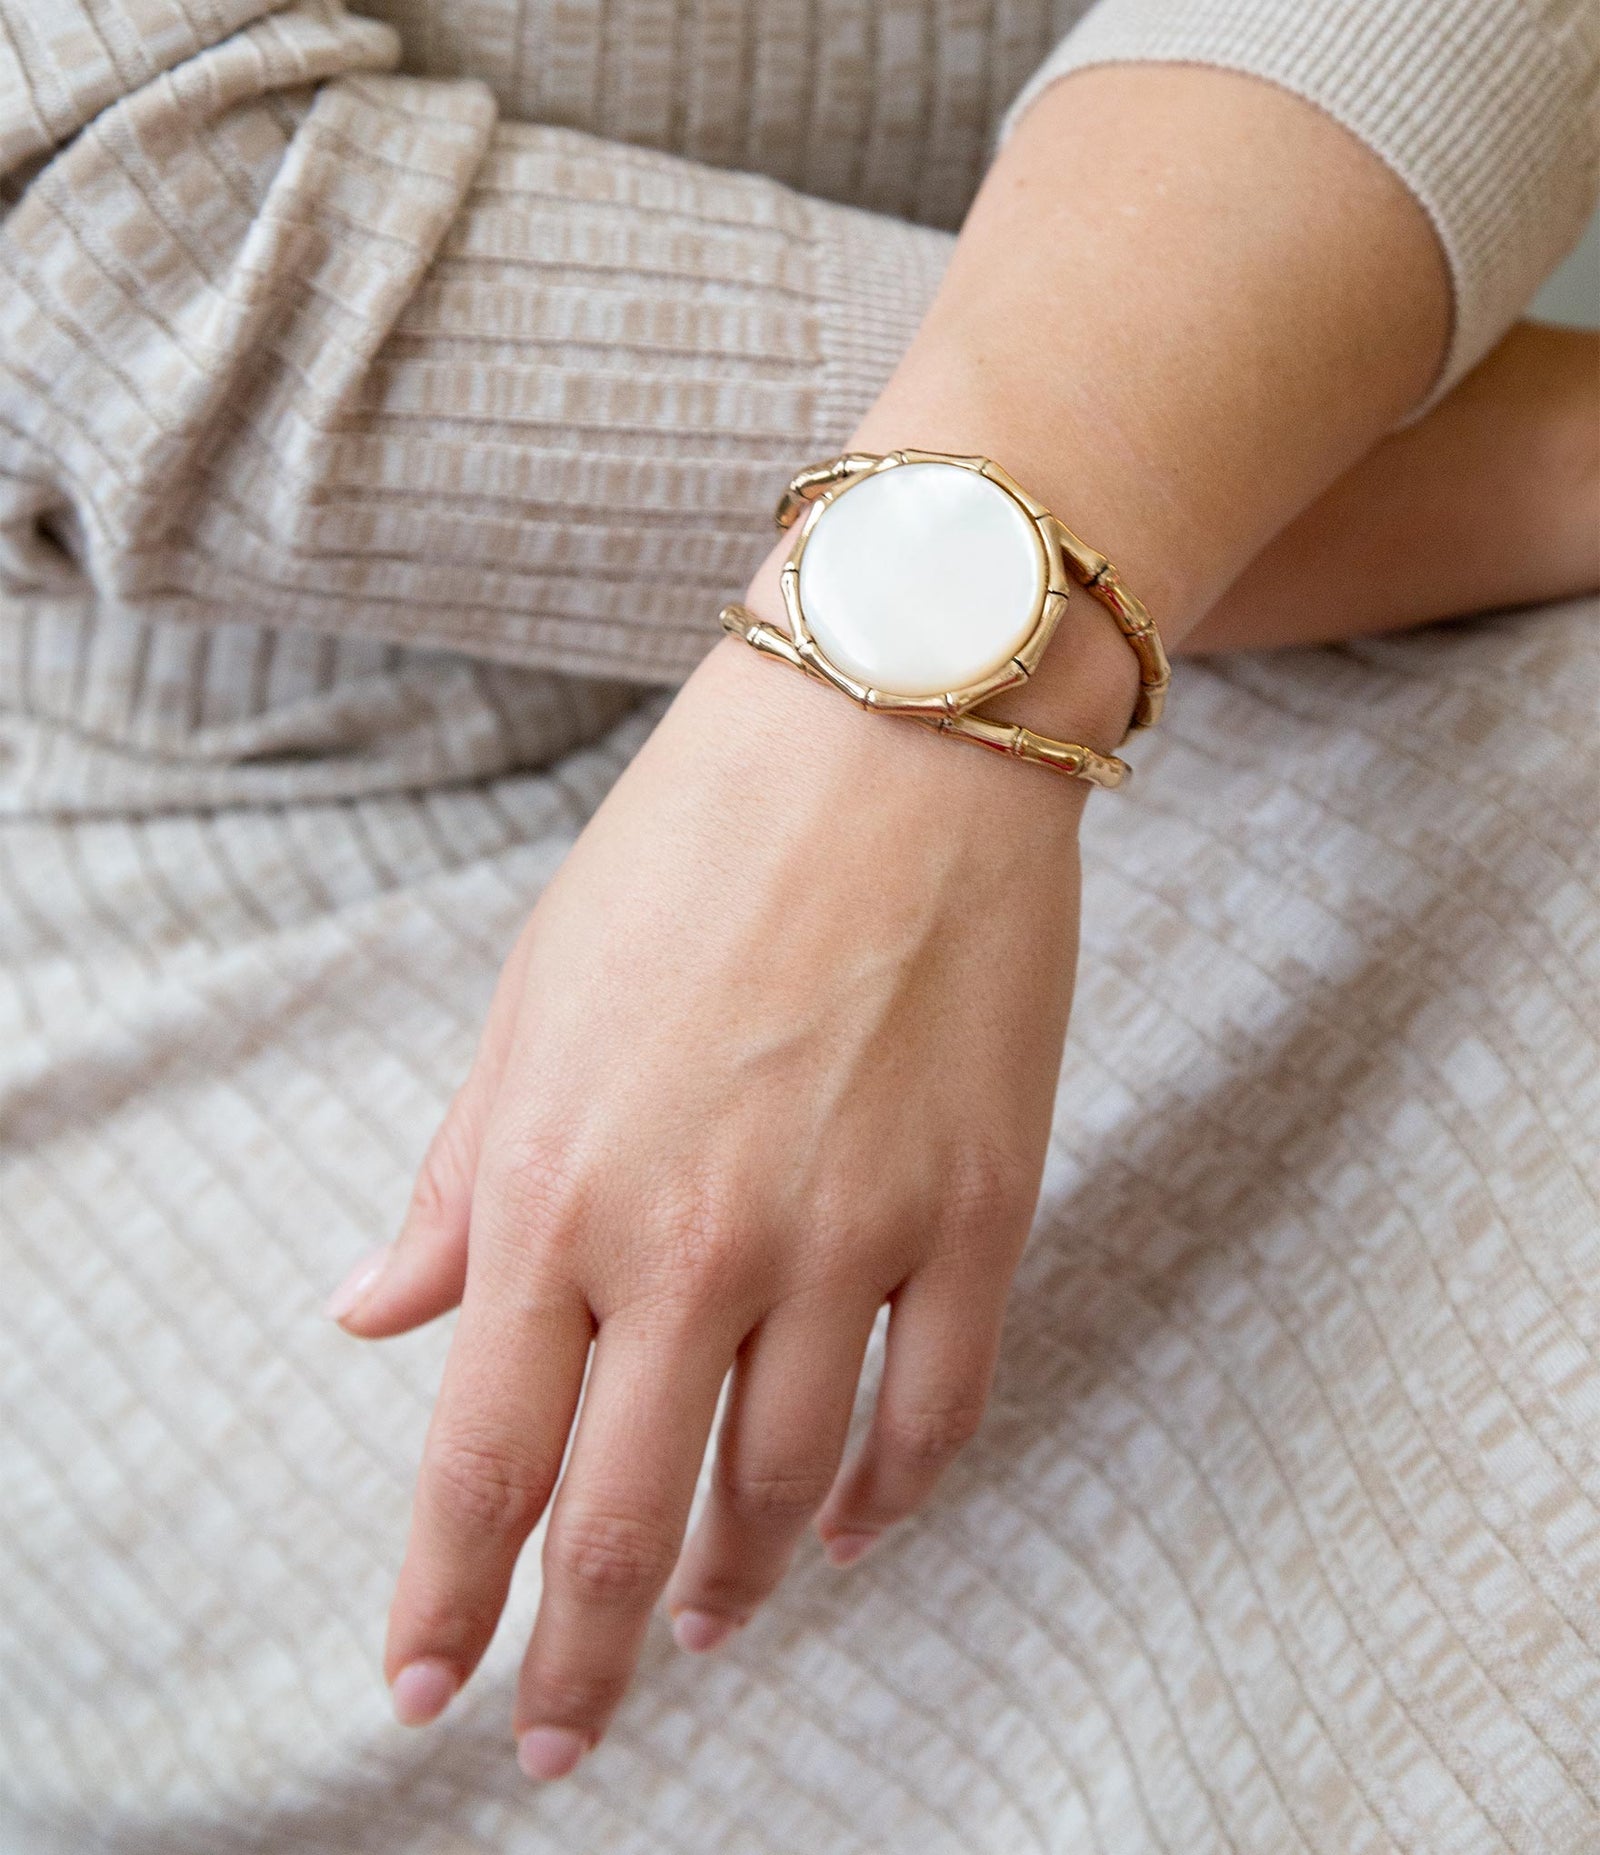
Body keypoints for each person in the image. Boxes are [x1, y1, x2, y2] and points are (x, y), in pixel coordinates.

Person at [1, 0, 1595, 1845]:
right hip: (240, 854)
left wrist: (959, 621)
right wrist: (1530, 456)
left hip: (1199, 524)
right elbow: (137, 266)